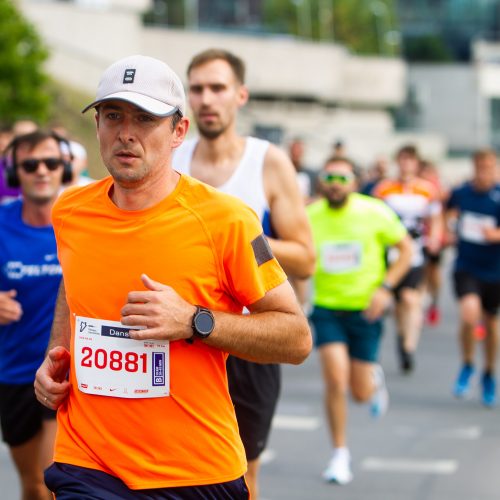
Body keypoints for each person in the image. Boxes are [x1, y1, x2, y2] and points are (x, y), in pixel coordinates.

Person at [34, 54, 312, 499]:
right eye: (113, 115)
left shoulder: (228, 221)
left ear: (178, 132)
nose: (126, 132)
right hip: (88, 462)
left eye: (145, 118)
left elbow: (296, 338)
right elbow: (73, 279)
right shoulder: (71, 210)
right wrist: (56, 355)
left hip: (194, 471)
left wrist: (195, 321)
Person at [173, 48, 315, 499]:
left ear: (240, 95)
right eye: (197, 89)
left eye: (217, 88)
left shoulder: (266, 162)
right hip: (181, 335)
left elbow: (306, 256)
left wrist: (232, 241)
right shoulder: (171, 158)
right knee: (175, 470)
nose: (206, 99)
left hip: (248, 335)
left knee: (241, 477)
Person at [308, 156, 412, 485]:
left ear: (354, 182)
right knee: (335, 381)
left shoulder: (374, 212)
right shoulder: (309, 216)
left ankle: (373, 382)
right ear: (322, 181)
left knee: (360, 393)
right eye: (330, 178)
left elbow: (406, 250)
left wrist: (385, 289)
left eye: (342, 179)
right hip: (325, 308)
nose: (335, 185)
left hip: (366, 309)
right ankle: (340, 454)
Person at [0, 129, 72, 499]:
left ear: (65, 169)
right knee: (32, 487)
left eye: (51, 162)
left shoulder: (82, 219)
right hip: (14, 374)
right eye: (30, 164)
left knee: (52, 484)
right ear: (15, 175)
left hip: (68, 375)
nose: (42, 170)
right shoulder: (1, 223)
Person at [374, 145, 442, 373]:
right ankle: (402, 336)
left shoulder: (427, 190)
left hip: (414, 253)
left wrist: (434, 238)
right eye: (402, 160)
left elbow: (435, 219)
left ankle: (408, 348)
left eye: (410, 160)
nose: (405, 164)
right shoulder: (384, 189)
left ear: (416, 163)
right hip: (389, 253)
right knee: (395, 303)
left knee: (410, 299)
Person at [446, 149, 500, 407]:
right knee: (469, 314)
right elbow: (443, 210)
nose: (484, 172)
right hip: (466, 265)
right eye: (480, 167)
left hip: (495, 270)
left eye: (489, 167)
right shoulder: (462, 192)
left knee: (491, 325)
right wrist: (443, 230)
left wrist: (496, 235)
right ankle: (467, 363)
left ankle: (489, 372)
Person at [419, 159, 448, 326]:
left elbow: (446, 213)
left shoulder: (439, 190)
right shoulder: (417, 189)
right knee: (421, 272)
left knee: (433, 271)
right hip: (419, 239)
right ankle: (421, 303)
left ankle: (434, 302)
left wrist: (442, 235)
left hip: (437, 238)